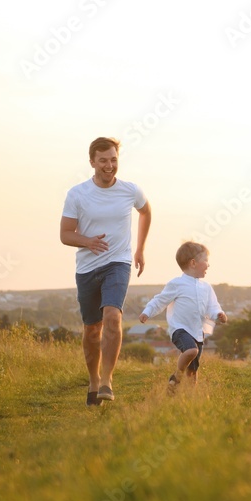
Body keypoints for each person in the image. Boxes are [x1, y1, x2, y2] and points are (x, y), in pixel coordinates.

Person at [60, 137, 151, 406]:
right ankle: (93, 379)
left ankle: (107, 380)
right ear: (92, 162)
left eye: (113, 159)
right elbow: (65, 234)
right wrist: (87, 241)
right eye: (103, 160)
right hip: (87, 267)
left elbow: (146, 213)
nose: (109, 165)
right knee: (91, 330)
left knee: (112, 317)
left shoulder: (130, 190)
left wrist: (140, 249)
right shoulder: (77, 194)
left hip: (118, 263)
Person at [139, 241, 227, 386]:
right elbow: (160, 300)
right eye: (206, 261)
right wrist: (147, 311)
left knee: (193, 371)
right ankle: (176, 376)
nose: (208, 265)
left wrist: (219, 314)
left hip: (198, 332)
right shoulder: (176, 284)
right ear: (193, 263)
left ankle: (186, 396)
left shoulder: (206, 287)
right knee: (191, 351)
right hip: (180, 329)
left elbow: (212, 307)